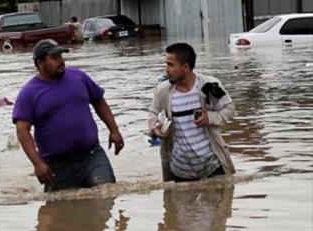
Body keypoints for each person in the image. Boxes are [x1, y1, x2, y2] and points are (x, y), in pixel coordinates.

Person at [13, 39, 124, 192]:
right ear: (39, 63)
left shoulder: (79, 77)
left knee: (106, 196)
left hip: (91, 157)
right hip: (56, 166)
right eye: (54, 57)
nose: (61, 61)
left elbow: (99, 102)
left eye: (61, 56)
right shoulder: (29, 93)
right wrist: (37, 164)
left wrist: (114, 131)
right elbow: (22, 130)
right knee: (60, 211)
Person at [148, 42, 235, 182]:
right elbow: (153, 113)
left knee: (221, 203)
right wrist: (156, 129)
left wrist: (210, 117)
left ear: (185, 67)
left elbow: (229, 109)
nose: (166, 69)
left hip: (213, 166)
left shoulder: (208, 85)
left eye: (171, 65)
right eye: (166, 64)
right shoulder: (162, 91)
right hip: (180, 170)